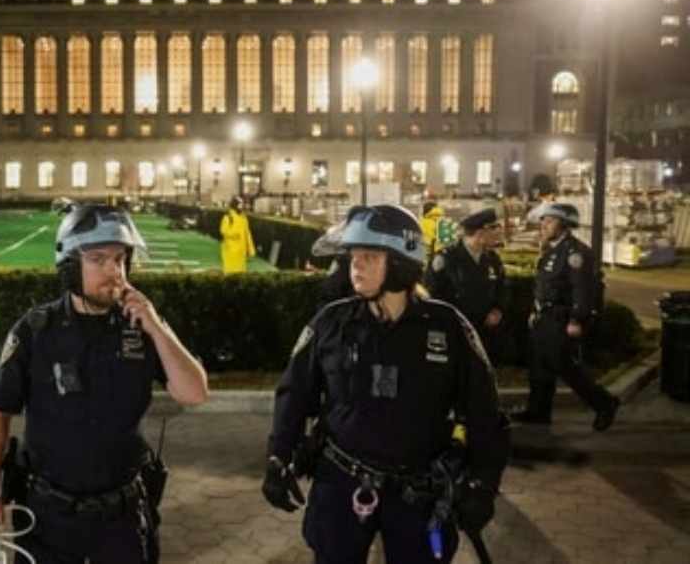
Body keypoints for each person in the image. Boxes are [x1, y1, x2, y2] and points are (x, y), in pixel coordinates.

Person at [263, 204, 509, 564]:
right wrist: (277, 456)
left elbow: (484, 411)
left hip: (420, 493)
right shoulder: (332, 322)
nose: (355, 266)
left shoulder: (448, 328)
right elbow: (294, 393)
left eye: (369, 256)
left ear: (400, 263)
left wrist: (483, 484)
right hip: (341, 485)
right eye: (352, 256)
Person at [0, 204, 210, 563]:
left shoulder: (142, 326)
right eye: (98, 259)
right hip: (49, 516)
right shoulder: (36, 331)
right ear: (70, 267)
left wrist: (156, 327)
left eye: (119, 259)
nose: (113, 271)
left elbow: (194, 393)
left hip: (123, 517)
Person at [510, 202, 619, 431]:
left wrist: (577, 320)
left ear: (564, 225)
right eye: (544, 221)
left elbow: (583, 290)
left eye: (549, 221)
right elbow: (545, 286)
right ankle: (537, 412)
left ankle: (604, 403)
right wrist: (535, 310)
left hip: (562, 320)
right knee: (540, 367)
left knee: (566, 367)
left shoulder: (575, 252)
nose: (544, 225)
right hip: (545, 318)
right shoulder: (553, 249)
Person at [424, 208, 509, 362]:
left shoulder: (492, 258)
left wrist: (498, 310)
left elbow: (502, 288)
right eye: (493, 229)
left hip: (484, 332)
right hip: (455, 333)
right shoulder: (447, 259)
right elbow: (431, 295)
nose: (497, 234)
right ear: (481, 233)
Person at [219, 195, 256, 273]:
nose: (242, 206)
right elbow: (223, 231)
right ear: (235, 205)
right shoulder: (228, 217)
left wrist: (251, 249)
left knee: (241, 273)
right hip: (230, 251)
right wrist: (233, 234)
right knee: (230, 273)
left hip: (241, 252)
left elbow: (247, 234)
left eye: (242, 204)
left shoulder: (244, 218)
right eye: (240, 204)